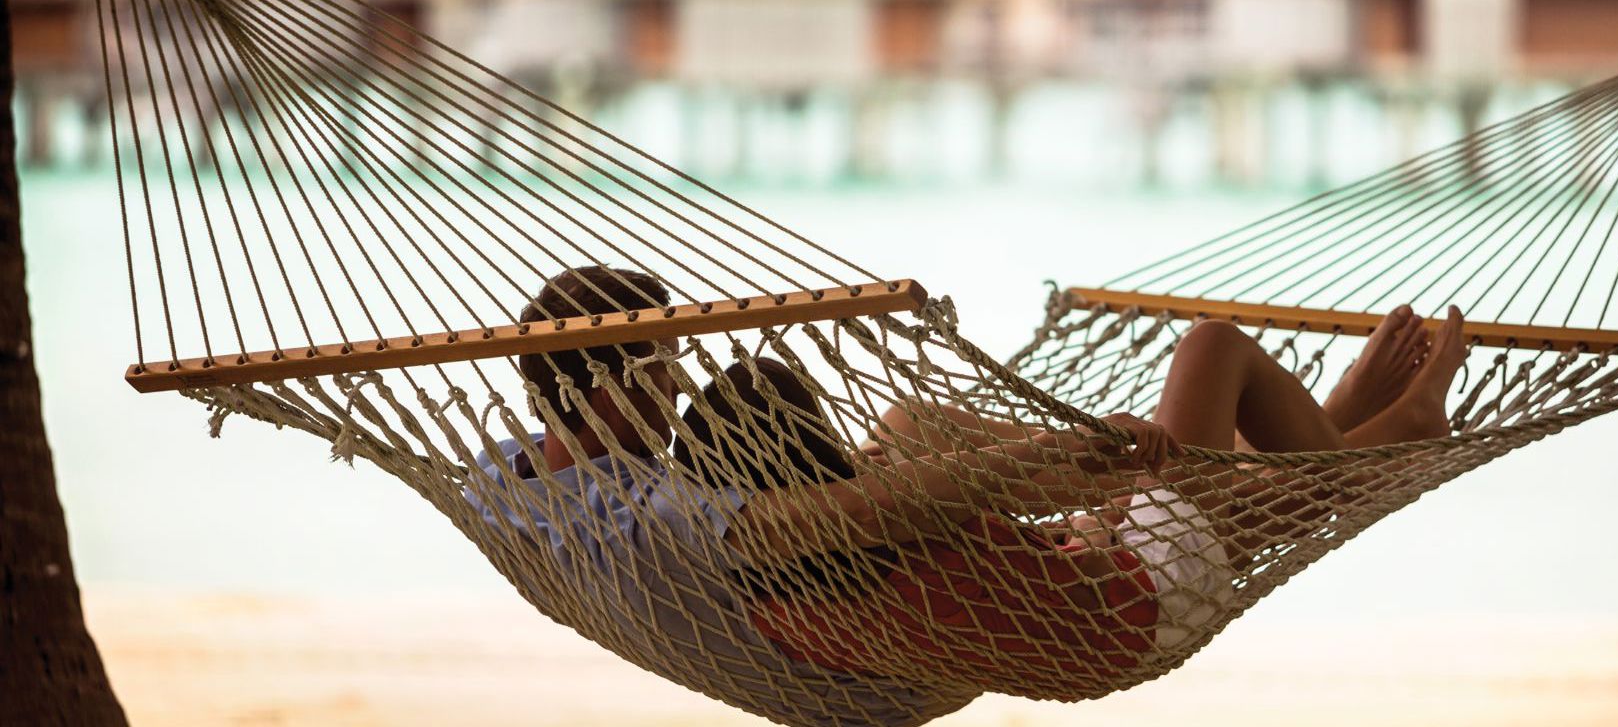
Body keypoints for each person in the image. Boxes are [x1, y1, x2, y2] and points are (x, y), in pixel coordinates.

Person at [690, 304, 1466, 699]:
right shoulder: (874, 524)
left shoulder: (773, 573)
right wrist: (1091, 463)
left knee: (908, 424)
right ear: (804, 452)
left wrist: (1092, 477)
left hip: (1087, 591)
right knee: (1211, 347)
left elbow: (962, 501)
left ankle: (1337, 425)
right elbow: (958, 491)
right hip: (1133, 599)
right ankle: (1367, 446)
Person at [460, 265, 972, 727]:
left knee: (913, 421)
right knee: (753, 390)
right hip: (876, 672)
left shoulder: (496, 478)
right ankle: (1054, 467)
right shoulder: (654, 515)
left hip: (756, 580)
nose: (679, 387)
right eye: (663, 367)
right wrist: (1045, 453)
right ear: (613, 396)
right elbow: (856, 514)